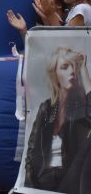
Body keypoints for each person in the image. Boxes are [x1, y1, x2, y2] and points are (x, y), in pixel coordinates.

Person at [24, 46, 91, 193]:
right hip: (42, 180)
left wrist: (84, 72)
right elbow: (31, 153)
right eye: (65, 67)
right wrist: (30, 185)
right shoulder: (46, 108)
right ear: (55, 74)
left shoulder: (81, 107)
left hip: (70, 181)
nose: (72, 71)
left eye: (74, 66)